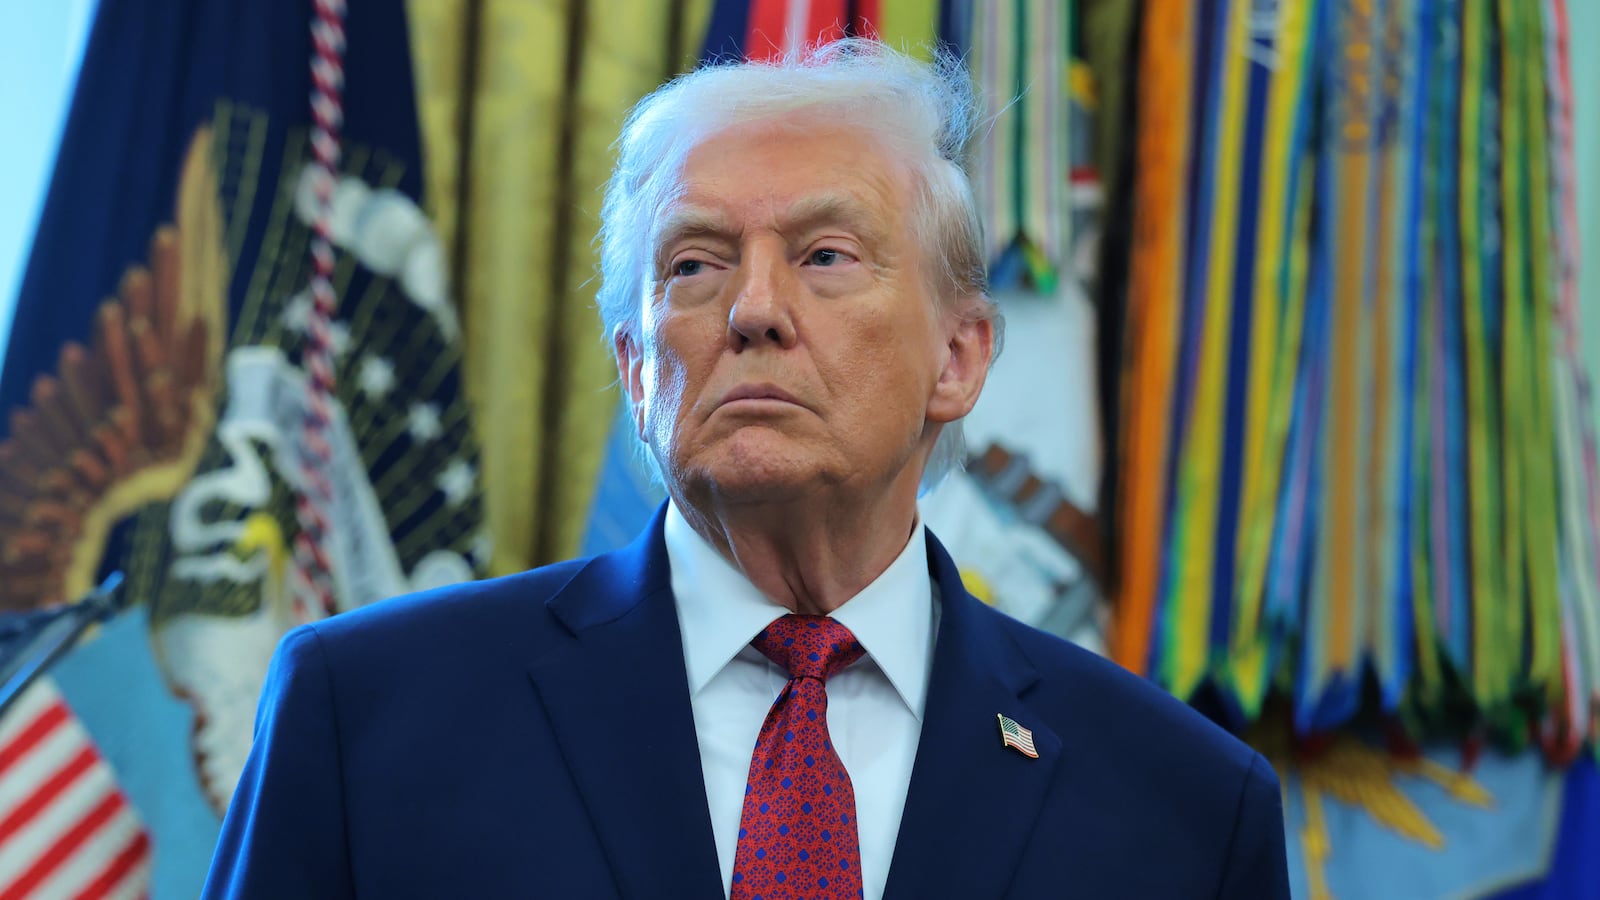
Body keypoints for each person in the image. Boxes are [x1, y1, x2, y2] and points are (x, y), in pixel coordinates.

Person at [203, 39, 1289, 899]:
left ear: (959, 358)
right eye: (694, 265)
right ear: (636, 368)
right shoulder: (367, 718)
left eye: (825, 256)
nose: (754, 309)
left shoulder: (1183, 804)